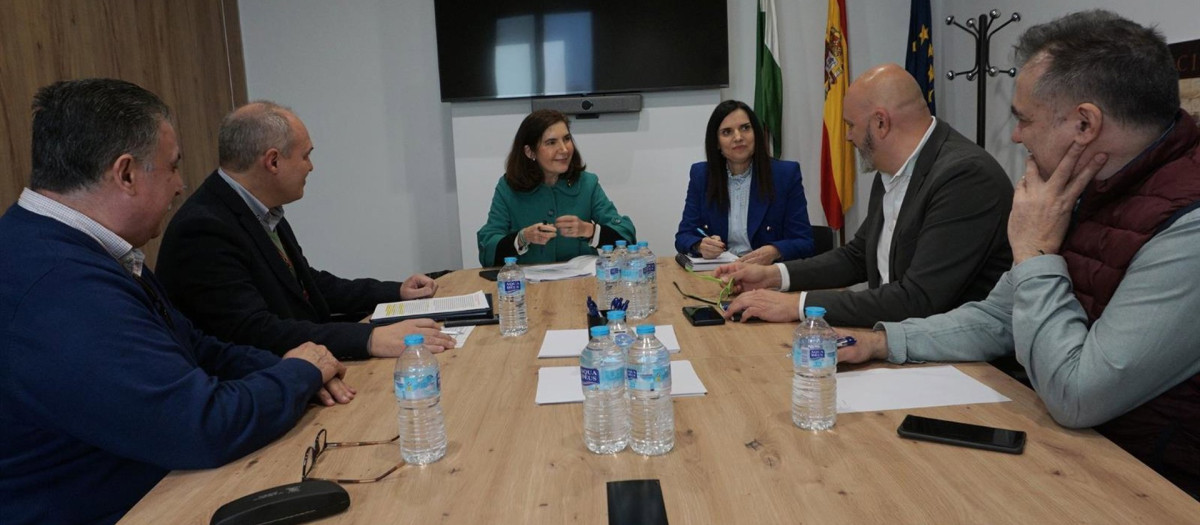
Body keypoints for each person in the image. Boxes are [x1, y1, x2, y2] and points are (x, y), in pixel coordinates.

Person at [838, 10, 1200, 495]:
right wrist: (883, 342)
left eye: (1024, 119)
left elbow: (1078, 394)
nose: (1015, 136)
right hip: (1071, 456)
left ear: (1085, 123)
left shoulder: (1187, 225)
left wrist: (1033, 253)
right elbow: (999, 316)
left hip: (1148, 489)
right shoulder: (1082, 189)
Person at [0, 79, 352, 525]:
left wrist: (291, 366)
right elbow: (200, 426)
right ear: (126, 174)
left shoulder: (91, 250)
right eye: (171, 167)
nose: (182, 186)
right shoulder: (59, 284)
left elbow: (197, 348)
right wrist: (298, 373)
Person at [716, 63, 1013, 327]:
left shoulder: (964, 178)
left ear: (881, 123)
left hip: (963, 367)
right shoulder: (890, 168)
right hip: (897, 340)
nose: (847, 136)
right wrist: (772, 276)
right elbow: (857, 257)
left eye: (850, 126)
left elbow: (918, 300)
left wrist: (797, 305)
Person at [156, 101, 455, 360]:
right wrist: (368, 339)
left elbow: (308, 285)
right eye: (305, 156)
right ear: (273, 161)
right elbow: (253, 331)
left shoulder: (261, 208)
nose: (310, 167)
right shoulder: (203, 229)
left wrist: (396, 292)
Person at [477, 109, 636, 266]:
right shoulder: (508, 188)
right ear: (530, 152)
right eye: (551, 142)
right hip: (529, 286)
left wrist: (590, 231)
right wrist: (522, 238)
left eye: (567, 139)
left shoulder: (588, 183)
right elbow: (488, 248)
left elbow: (626, 237)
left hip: (581, 283)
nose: (564, 149)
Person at [674, 100, 814, 265]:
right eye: (727, 132)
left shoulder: (785, 175)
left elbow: (804, 242)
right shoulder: (702, 176)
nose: (738, 137)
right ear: (717, 143)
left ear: (756, 133)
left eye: (745, 128)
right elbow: (683, 236)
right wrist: (699, 245)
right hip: (719, 273)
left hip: (766, 273)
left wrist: (775, 251)